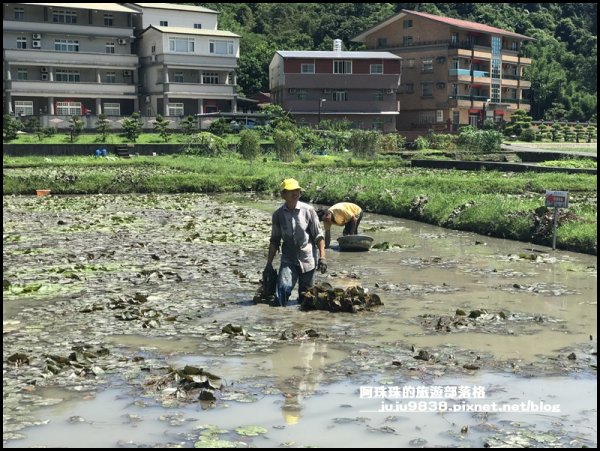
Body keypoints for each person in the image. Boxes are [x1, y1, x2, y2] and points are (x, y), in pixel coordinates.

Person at [265, 178, 327, 307]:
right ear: (283, 194)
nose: (295, 193)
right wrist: (269, 264)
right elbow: (274, 240)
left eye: (297, 190)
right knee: (282, 289)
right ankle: (278, 321)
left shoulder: (308, 211)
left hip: (307, 258)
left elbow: (319, 236)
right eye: (291, 191)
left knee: (306, 297)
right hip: (288, 257)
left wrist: (322, 257)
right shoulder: (278, 215)